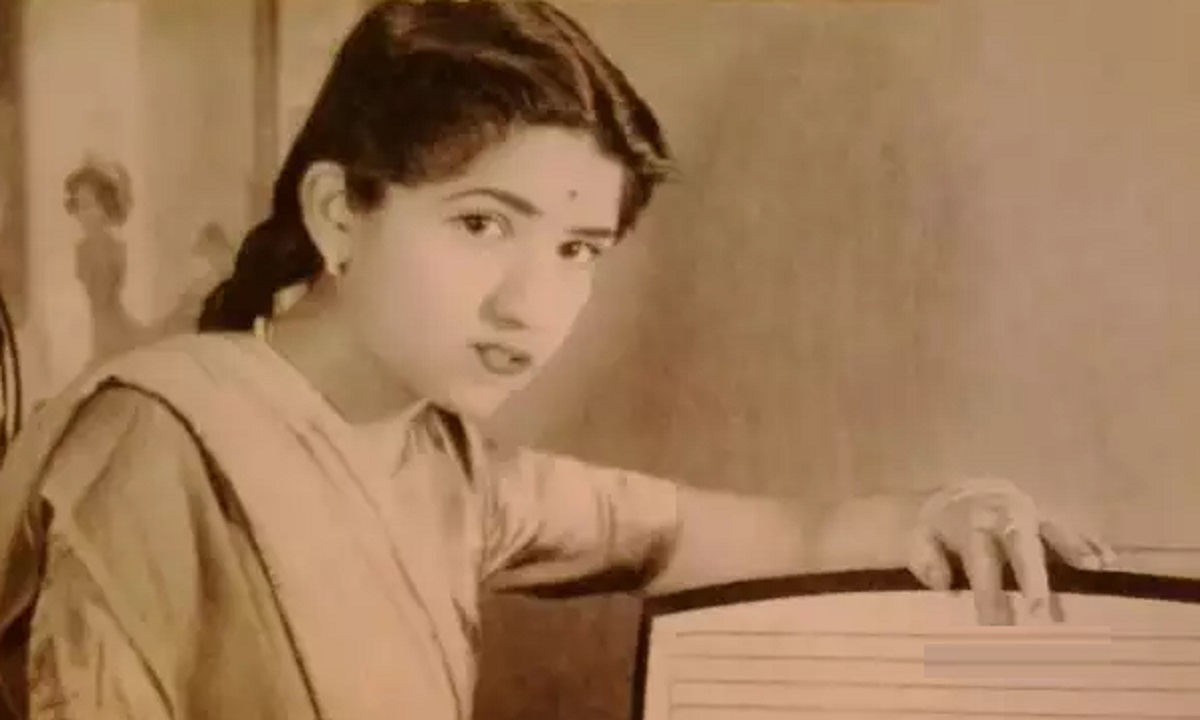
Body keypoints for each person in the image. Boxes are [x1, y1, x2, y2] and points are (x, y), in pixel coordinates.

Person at [0, 2, 1115, 719]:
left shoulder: (447, 466)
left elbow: (694, 533)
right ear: (339, 213)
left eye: (578, 248)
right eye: (482, 224)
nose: (532, 304)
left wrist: (939, 514)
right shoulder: (159, 442)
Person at [62, 161, 141, 363]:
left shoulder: (112, 248)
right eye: (78, 206)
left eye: (89, 206)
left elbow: (105, 306)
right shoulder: (83, 249)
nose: (82, 214)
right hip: (101, 335)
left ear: (105, 208)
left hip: (116, 334)